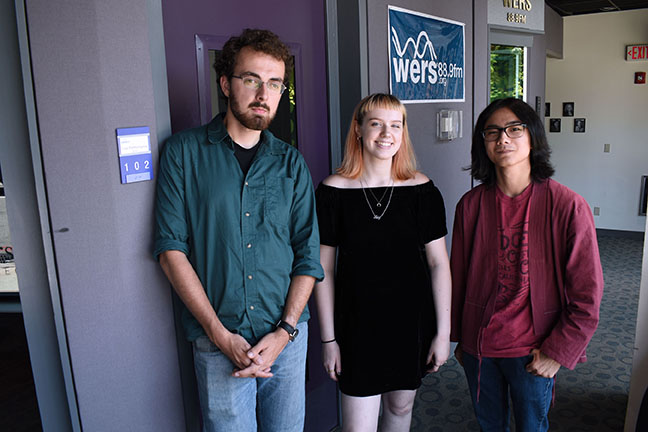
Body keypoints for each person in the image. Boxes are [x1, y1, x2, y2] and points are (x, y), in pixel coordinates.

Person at [154, 28, 323, 431]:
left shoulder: (291, 163)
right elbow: (170, 251)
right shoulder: (183, 154)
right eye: (251, 79)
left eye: (275, 83)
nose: (264, 94)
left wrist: (284, 331)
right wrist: (219, 335)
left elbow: (307, 254)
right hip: (218, 343)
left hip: (285, 340)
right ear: (226, 84)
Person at [450, 97, 604, 431]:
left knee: (532, 427)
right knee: (489, 426)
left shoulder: (568, 206)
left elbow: (587, 293)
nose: (502, 139)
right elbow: (458, 280)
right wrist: (461, 338)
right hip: (481, 347)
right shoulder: (470, 206)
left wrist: (558, 352)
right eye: (492, 132)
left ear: (532, 137)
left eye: (514, 129)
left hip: (535, 349)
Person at [315, 93, 452, 432]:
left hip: (410, 323)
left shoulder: (423, 190)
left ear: (403, 132)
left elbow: (438, 264)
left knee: (400, 409)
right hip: (356, 326)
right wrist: (329, 340)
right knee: (358, 426)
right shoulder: (333, 192)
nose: (386, 134)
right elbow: (323, 271)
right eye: (376, 124)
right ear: (358, 129)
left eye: (395, 125)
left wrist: (443, 334)